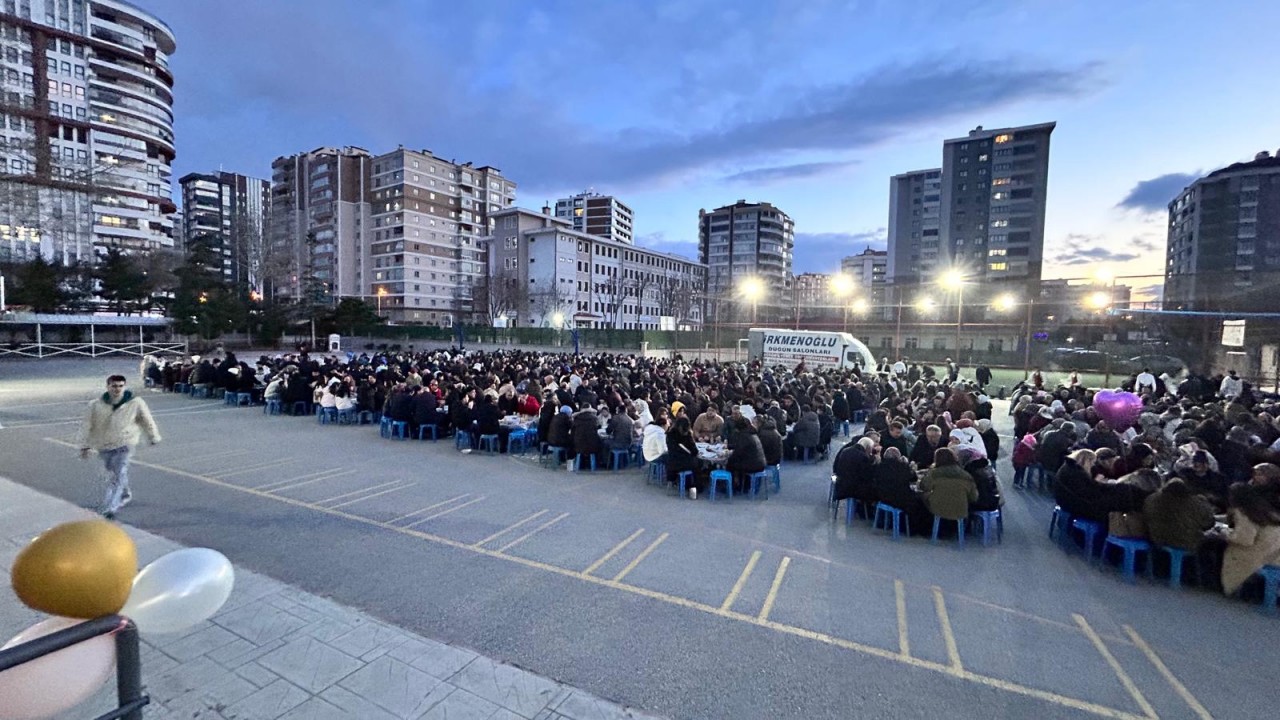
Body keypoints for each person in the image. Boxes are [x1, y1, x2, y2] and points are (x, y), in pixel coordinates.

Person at [77, 374, 162, 518]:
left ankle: (110, 507)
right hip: (103, 445)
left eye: (121, 386)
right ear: (108, 387)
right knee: (115, 472)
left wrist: (153, 436)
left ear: (125, 386)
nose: (117, 389)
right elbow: (86, 425)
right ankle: (125, 492)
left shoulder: (135, 403)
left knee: (119, 473)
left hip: (125, 443)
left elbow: (147, 420)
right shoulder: (95, 405)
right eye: (114, 386)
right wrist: (85, 445)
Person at [872, 447, 931, 535]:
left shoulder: (879, 466)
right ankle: (915, 529)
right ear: (898, 457)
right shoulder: (902, 466)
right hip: (900, 499)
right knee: (920, 501)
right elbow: (913, 478)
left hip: (882, 496)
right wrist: (910, 466)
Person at [918, 448, 977, 533]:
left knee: (922, 496)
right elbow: (974, 497)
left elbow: (923, 486)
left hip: (938, 508)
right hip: (960, 510)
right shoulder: (966, 476)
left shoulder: (934, 473)